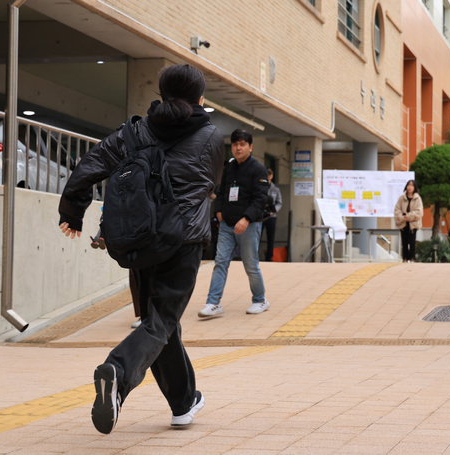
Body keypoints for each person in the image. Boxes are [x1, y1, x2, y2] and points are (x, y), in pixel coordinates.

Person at [57, 64, 223, 434]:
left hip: (140, 239)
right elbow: (210, 183)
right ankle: (118, 370)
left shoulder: (135, 130)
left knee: (161, 323)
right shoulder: (211, 136)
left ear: (162, 94)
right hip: (181, 241)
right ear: (200, 98)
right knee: (162, 321)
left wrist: (73, 210)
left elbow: (91, 164)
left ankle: (184, 402)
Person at [198, 129, 270, 318]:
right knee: (220, 262)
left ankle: (260, 300)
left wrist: (246, 219)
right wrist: (219, 214)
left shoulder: (258, 169)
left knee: (250, 264)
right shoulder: (229, 167)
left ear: (250, 147)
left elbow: (261, 199)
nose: (238, 147)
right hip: (227, 226)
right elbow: (220, 193)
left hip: (249, 225)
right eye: (235, 144)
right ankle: (213, 303)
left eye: (242, 144)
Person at [394, 180, 423, 263]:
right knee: (404, 242)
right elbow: (397, 210)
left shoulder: (418, 198)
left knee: (412, 242)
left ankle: (413, 259)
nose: (410, 187)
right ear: (406, 187)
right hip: (403, 223)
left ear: (415, 187)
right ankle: (405, 259)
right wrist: (403, 217)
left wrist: (409, 216)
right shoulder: (401, 198)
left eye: (412, 185)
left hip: (413, 224)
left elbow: (419, 212)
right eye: (408, 185)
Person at [263, 168, 283, 261]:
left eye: (269, 174)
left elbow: (279, 202)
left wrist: (273, 210)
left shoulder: (276, 189)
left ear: (272, 176)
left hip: (271, 216)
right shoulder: (259, 187)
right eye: (266, 174)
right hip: (260, 215)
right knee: (256, 236)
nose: (268, 176)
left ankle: (269, 256)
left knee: (271, 237)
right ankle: (254, 256)